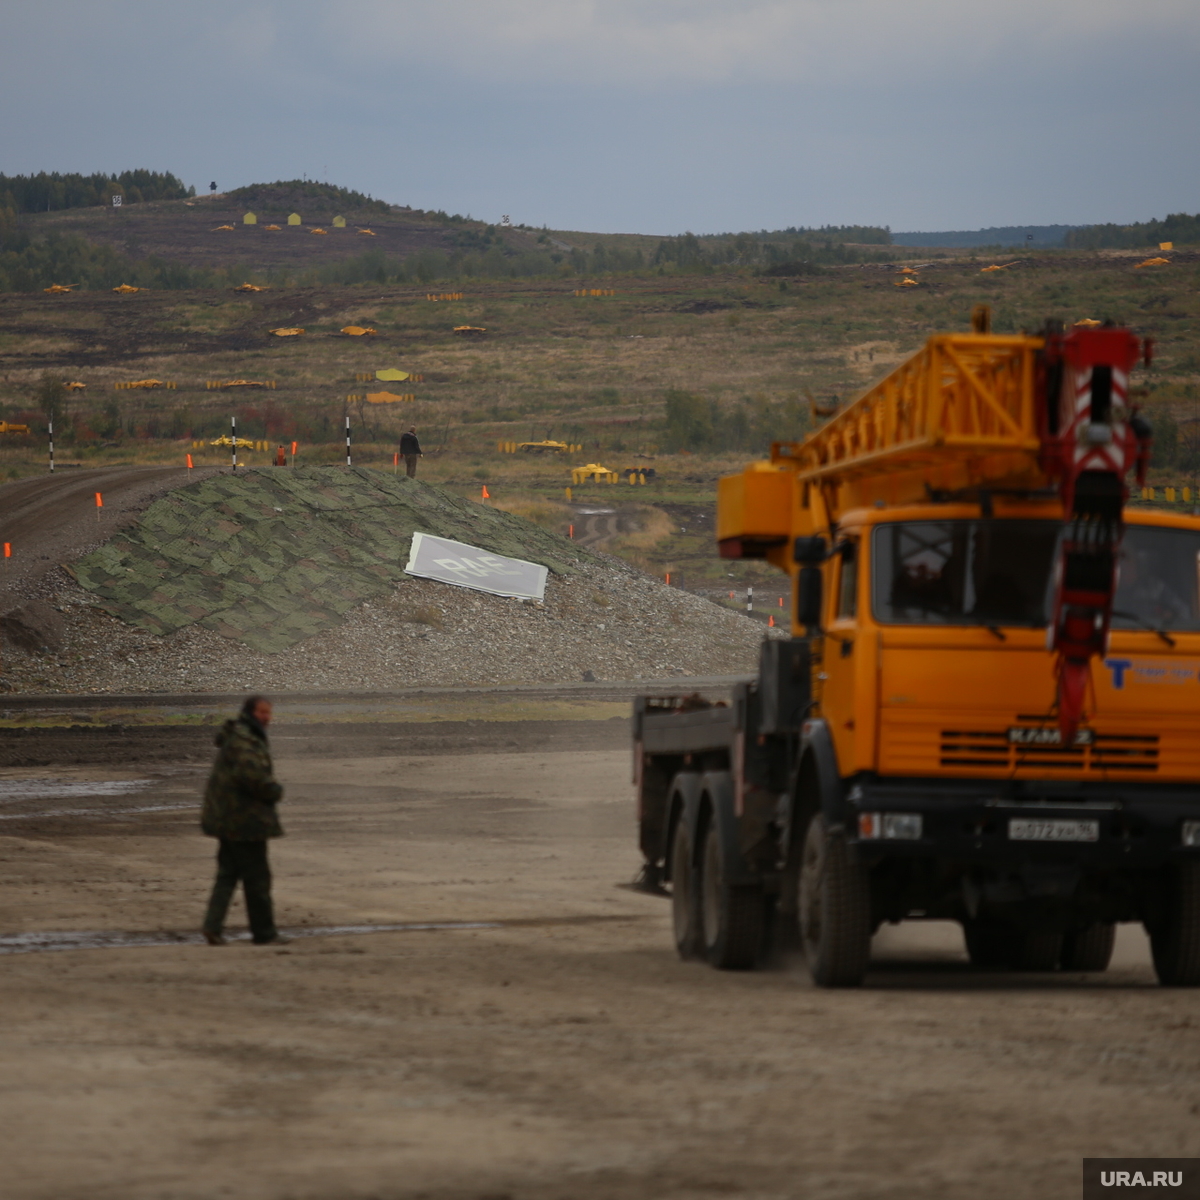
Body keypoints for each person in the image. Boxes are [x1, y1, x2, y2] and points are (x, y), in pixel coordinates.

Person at [200, 695, 286, 945]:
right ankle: (264, 933)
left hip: (228, 818)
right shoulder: (245, 740)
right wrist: (275, 791)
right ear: (249, 712)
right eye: (261, 712)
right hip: (243, 821)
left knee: (227, 875)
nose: (266, 717)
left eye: (268, 713)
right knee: (258, 878)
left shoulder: (238, 736)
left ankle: (212, 926)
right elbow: (253, 778)